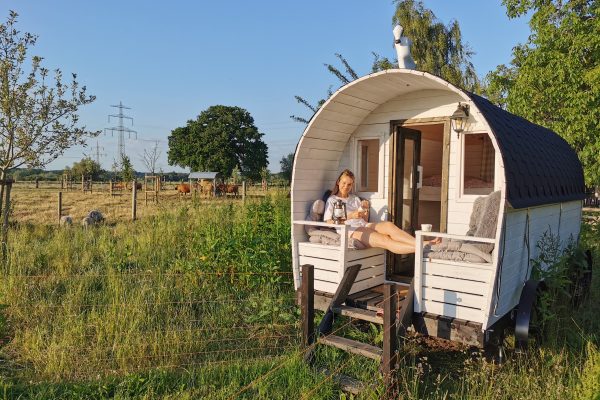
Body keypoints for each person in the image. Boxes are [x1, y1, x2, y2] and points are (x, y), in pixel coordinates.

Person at [324, 169, 437, 254]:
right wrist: (351, 216)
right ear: (338, 182)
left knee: (389, 225)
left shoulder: (354, 198)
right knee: (386, 240)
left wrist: (364, 210)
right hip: (350, 230)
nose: (346, 186)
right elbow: (328, 222)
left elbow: (363, 220)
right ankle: (424, 248)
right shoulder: (332, 200)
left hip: (363, 225)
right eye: (344, 183)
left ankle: (423, 243)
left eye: (349, 184)